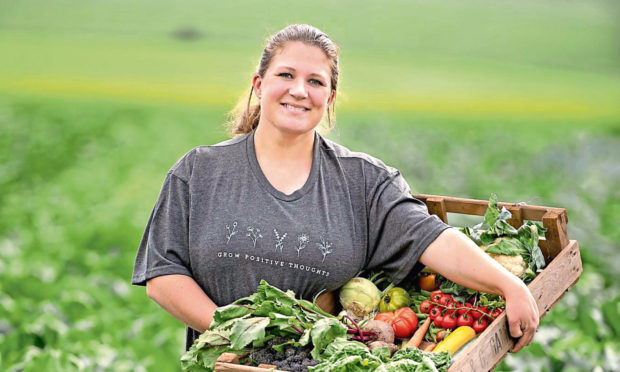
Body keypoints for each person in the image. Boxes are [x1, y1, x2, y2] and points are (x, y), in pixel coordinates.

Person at [131, 24, 539, 353]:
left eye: (315, 81)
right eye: (286, 75)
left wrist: (509, 285)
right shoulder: (200, 172)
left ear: (329, 97)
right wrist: (243, 333)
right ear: (259, 84)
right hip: (223, 362)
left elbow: (432, 238)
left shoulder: (362, 181)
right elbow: (163, 274)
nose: (299, 91)